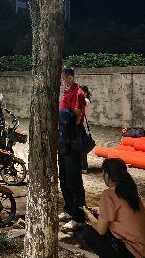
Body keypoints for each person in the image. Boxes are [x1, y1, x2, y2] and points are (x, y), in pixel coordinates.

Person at [80, 158, 145, 258]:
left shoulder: (108, 194)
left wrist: (88, 214)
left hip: (136, 253)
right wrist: (101, 210)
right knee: (101, 219)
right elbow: (125, 213)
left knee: (88, 232)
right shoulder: (131, 191)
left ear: (107, 174)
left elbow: (101, 230)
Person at [58, 66, 87, 232]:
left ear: (70, 78)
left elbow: (76, 117)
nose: (62, 82)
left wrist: (64, 118)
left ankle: (79, 217)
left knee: (74, 179)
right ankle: (69, 209)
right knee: (63, 177)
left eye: (63, 79)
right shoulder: (67, 92)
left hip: (72, 140)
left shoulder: (78, 93)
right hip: (63, 140)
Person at [80, 85, 92, 172]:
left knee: (82, 148)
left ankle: (83, 167)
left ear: (86, 93)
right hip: (82, 126)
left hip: (83, 127)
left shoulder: (86, 100)